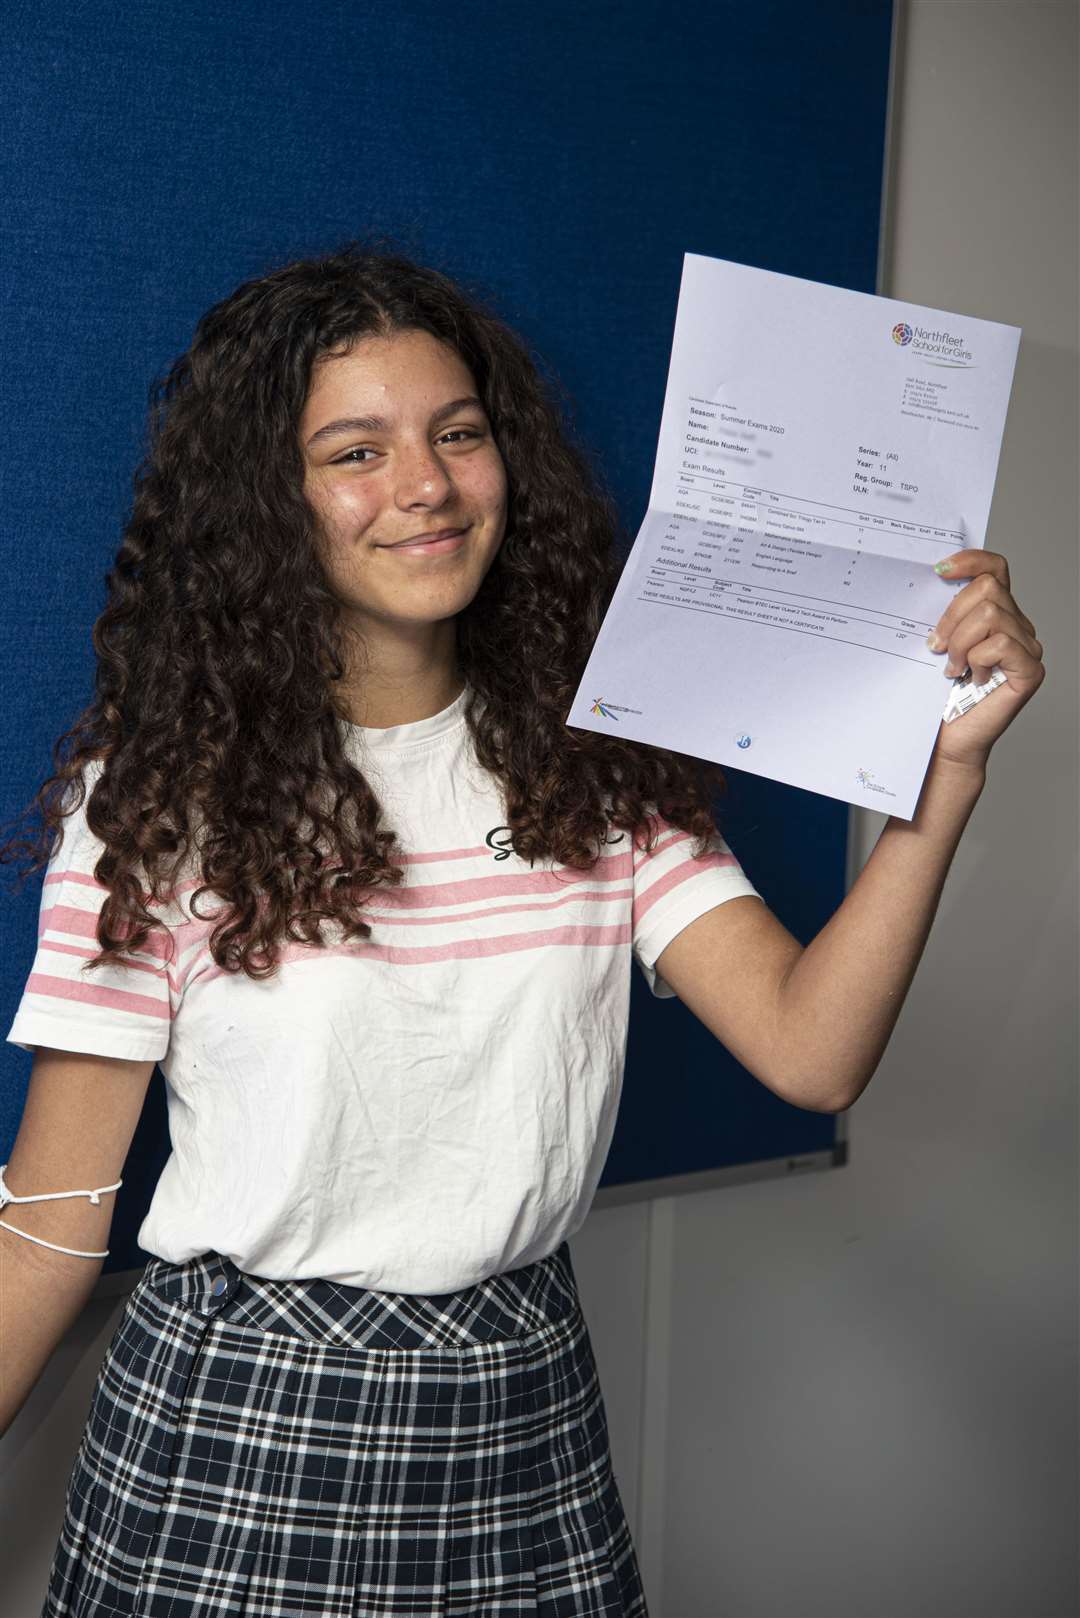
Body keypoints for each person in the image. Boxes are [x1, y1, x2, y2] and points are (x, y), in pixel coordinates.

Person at [0, 242, 1046, 1617]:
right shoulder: (154, 798)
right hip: (241, 1417)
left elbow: (812, 1054)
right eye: (354, 452)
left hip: (524, 1402)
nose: (425, 486)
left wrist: (947, 772)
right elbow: (53, 1222)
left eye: (458, 434)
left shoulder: (592, 766)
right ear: (267, 500)